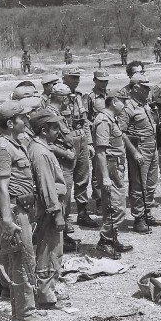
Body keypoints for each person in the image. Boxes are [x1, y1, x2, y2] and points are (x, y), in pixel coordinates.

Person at [0, 101, 49, 321]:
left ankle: (22, 308)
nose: (27, 121)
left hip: (23, 207)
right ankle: (25, 312)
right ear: (10, 123)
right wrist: (8, 219)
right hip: (14, 209)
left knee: (23, 256)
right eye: (23, 118)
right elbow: (1, 186)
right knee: (21, 258)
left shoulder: (14, 143)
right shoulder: (3, 147)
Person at [26, 109, 68, 310]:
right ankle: (46, 296)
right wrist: (56, 212)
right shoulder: (41, 152)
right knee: (49, 251)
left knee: (48, 249)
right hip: (49, 209)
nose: (58, 132)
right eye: (54, 128)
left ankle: (47, 290)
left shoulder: (39, 147)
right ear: (43, 130)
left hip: (48, 206)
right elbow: (47, 186)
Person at [93, 89, 134, 257]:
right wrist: (105, 177)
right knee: (115, 207)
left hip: (115, 166)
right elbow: (100, 152)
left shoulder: (111, 119)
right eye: (122, 101)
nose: (124, 104)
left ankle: (112, 238)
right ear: (114, 101)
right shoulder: (103, 120)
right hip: (110, 166)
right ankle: (105, 241)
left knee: (116, 204)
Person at [123, 73, 161, 232]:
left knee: (151, 183)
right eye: (145, 88)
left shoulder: (144, 104)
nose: (148, 91)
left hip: (151, 146)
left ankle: (147, 213)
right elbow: (122, 132)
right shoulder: (128, 107)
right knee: (138, 184)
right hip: (139, 148)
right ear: (135, 88)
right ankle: (139, 218)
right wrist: (134, 152)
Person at [62, 68, 98, 229]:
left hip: (81, 139)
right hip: (66, 140)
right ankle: (64, 217)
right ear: (64, 78)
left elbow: (85, 121)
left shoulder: (79, 97)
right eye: (72, 77)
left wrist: (89, 143)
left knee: (83, 177)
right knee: (66, 181)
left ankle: (83, 212)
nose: (76, 80)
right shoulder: (57, 97)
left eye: (77, 77)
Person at [45, 83, 79, 252]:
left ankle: (62, 236)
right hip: (59, 163)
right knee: (61, 200)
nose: (69, 102)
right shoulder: (50, 115)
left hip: (65, 163)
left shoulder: (56, 113)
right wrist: (66, 154)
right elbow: (47, 143)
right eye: (68, 98)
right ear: (63, 98)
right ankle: (58, 239)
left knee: (65, 201)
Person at [85, 70, 111, 213]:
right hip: (98, 136)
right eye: (101, 81)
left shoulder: (110, 95)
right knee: (98, 170)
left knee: (112, 166)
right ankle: (100, 200)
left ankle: (110, 198)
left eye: (106, 81)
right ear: (94, 80)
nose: (103, 83)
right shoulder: (90, 98)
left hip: (111, 135)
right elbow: (86, 119)